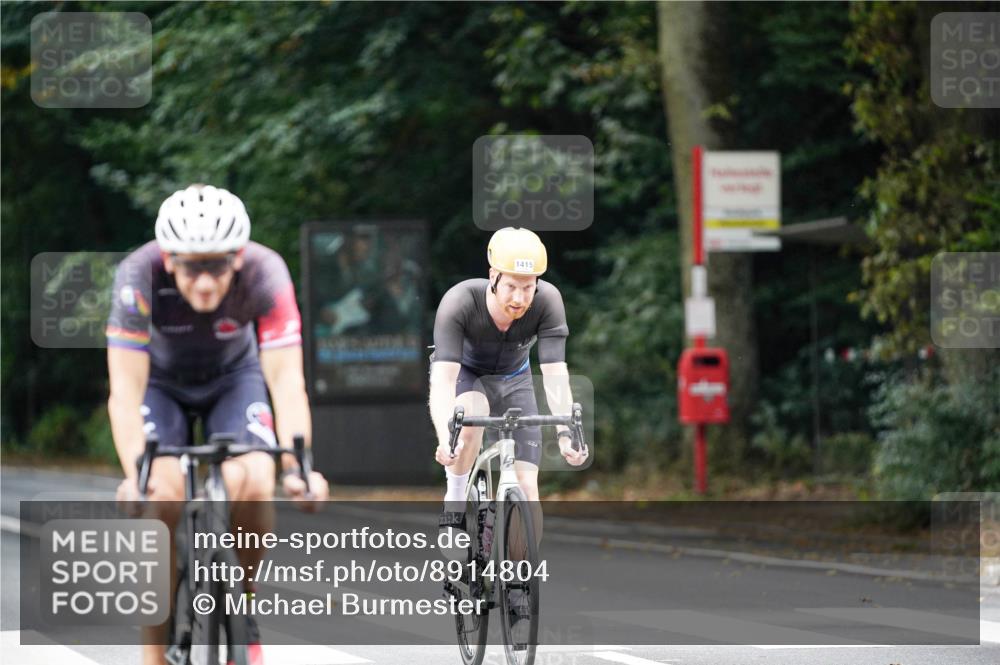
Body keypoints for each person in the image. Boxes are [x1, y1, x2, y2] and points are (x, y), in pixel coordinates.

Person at [106, 184, 329, 665]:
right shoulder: (137, 274)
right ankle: (152, 652)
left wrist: (298, 465)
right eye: (191, 266)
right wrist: (136, 476)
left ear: (238, 256)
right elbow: (124, 391)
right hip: (160, 384)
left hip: (234, 379)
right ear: (168, 260)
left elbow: (286, 379)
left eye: (218, 266)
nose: (205, 283)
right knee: (161, 499)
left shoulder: (265, 272)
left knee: (253, 478)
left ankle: (241, 607)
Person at [428, 225, 589, 525]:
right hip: (468, 373)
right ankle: (456, 502)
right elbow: (443, 381)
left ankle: (526, 568)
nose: (519, 297)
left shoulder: (548, 302)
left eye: (528, 287)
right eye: (512, 286)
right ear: (493, 277)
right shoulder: (460, 302)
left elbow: (555, 376)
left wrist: (566, 434)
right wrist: (445, 439)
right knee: (470, 419)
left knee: (529, 490)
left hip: (515, 378)